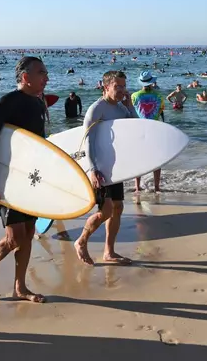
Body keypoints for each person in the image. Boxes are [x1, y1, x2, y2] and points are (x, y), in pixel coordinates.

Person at [0, 56, 48, 303]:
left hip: (30, 179)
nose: (46, 77)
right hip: (7, 179)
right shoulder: (7, 102)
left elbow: (40, 145)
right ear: (26, 77)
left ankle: (20, 287)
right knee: (14, 238)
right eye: (41, 73)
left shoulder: (39, 104)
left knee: (28, 232)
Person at [74, 70, 137, 266]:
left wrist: (130, 106)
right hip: (99, 167)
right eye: (117, 86)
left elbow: (136, 128)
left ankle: (109, 252)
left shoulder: (121, 108)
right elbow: (88, 141)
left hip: (114, 167)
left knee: (117, 208)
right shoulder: (97, 109)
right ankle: (81, 240)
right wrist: (92, 169)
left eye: (124, 86)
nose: (122, 90)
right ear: (105, 86)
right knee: (106, 211)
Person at [130, 71, 164, 193]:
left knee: (138, 158)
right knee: (157, 159)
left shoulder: (134, 96)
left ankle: (137, 186)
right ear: (152, 82)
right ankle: (157, 187)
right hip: (154, 128)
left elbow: (131, 111)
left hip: (139, 129)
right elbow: (160, 111)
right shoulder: (159, 96)